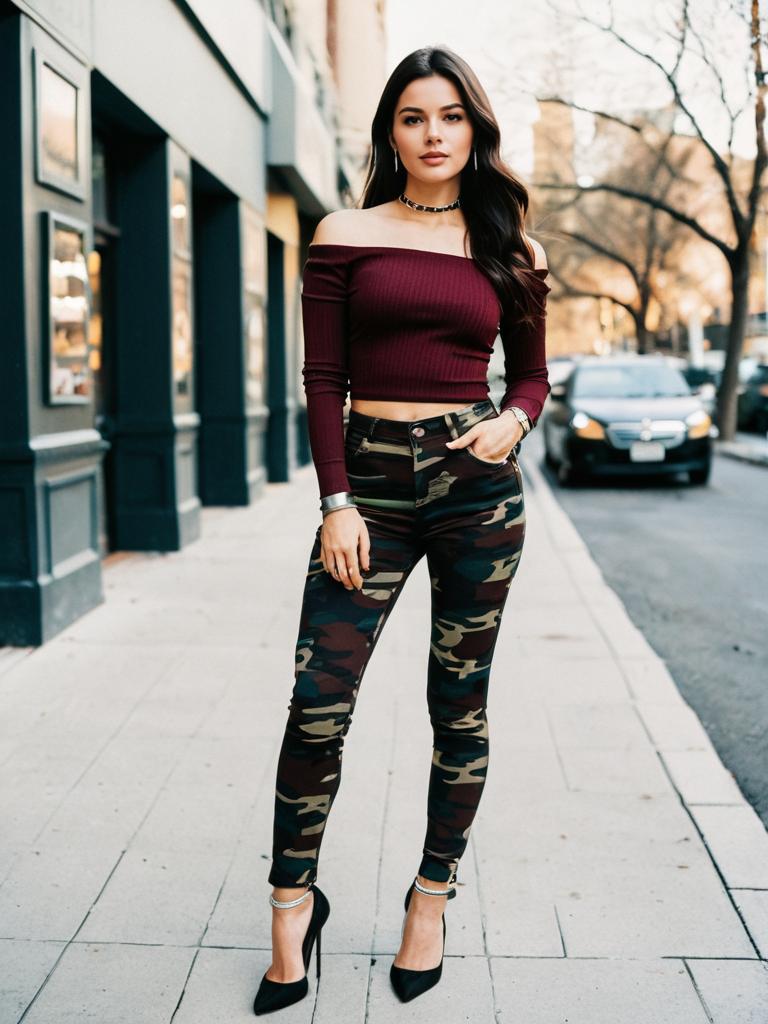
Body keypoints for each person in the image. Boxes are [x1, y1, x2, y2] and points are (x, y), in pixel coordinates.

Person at [253, 44, 551, 1015]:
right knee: (317, 703)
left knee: (456, 708)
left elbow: (533, 377)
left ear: (475, 128)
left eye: (452, 116)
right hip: (370, 488)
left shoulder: (510, 246)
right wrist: (334, 501)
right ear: (391, 129)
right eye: (416, 117)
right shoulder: (345, 231)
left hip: (477, 491)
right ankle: (292, 909)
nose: (434, 134)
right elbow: (322, 378)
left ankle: (432, 897)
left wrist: (514, 419)